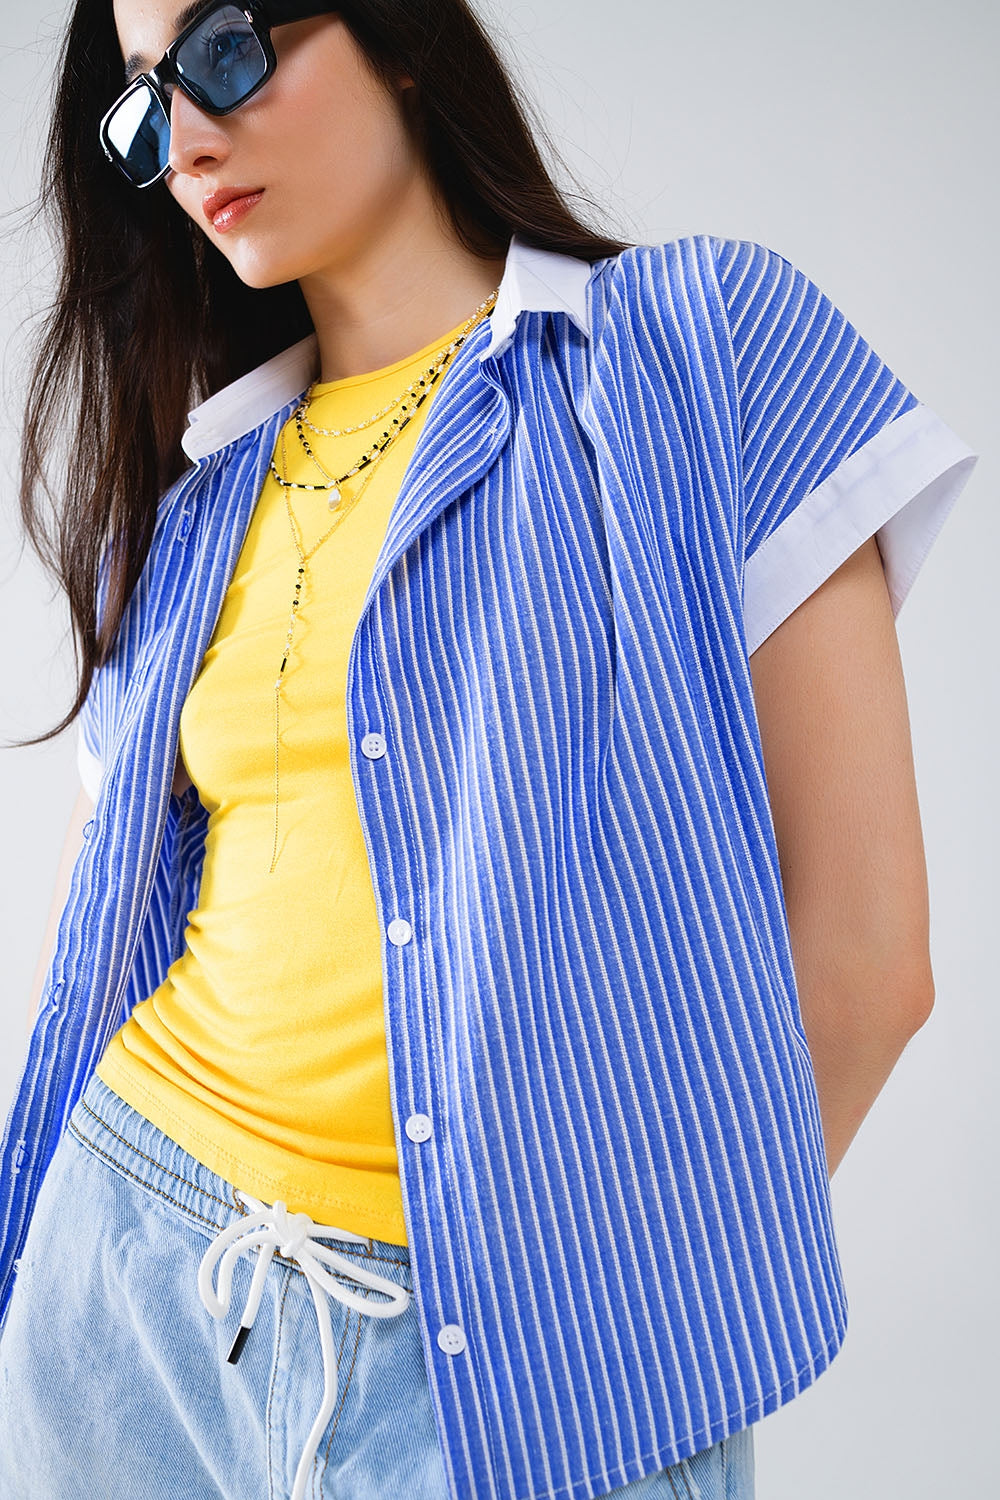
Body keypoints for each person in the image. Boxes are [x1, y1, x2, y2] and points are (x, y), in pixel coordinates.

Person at [0, 1, 979, 1497]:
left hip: (517, 1370)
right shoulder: (195, 512)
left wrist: (613, 1309)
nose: (188, 137)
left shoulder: (691, 352)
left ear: (396, 31)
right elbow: (98, 935)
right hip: (127, 1287)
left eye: (223, 53)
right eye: (143, 112)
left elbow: (865, 964)